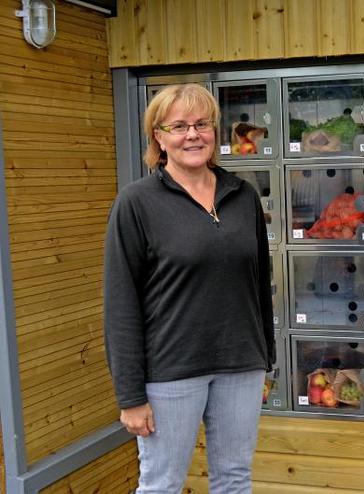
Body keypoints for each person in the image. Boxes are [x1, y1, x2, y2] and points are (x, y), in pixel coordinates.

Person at [104, 83, 275, 493]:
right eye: (178, 126)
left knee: (234, 479)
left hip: (240, 365)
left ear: (215, 131)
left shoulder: (242, 196)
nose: (192, 135)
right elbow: (121, 303)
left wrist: (264, 358)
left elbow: (258, 284)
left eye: (202, 124)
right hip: (170, 371)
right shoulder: (137, 202)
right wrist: (130, 396)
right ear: (159, 137)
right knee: (162, 484)